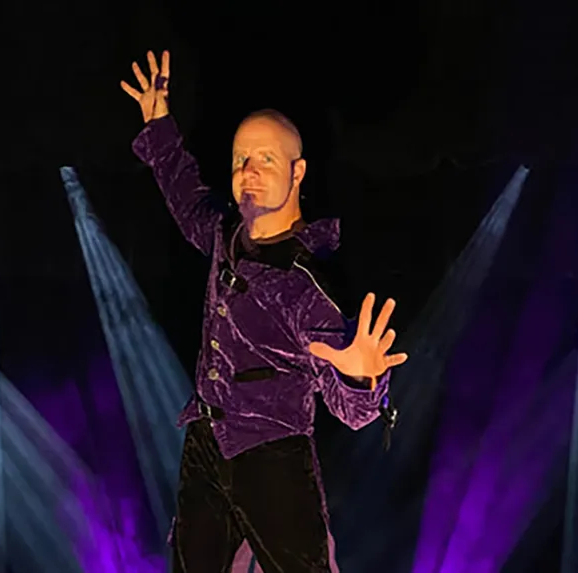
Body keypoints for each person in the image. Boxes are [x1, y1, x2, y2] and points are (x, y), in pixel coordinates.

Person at [120, 49, 408, 573]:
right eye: (238, 160)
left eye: (264, 160)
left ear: (298, 172)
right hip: (206, 447)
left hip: (272, 456)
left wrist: (365, 380)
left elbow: (351, 409)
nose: (247, 172)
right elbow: (187, 198)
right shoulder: (226, 235)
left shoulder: (305, 286)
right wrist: (159, 124)